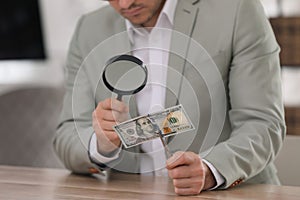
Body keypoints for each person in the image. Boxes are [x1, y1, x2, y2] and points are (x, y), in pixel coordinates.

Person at [54, 0, 286, 196]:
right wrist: (100, 144)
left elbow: (263, 124)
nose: (125, 4)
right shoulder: (89, 29)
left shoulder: (236, 10)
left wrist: (210, 170)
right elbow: (67, 134)